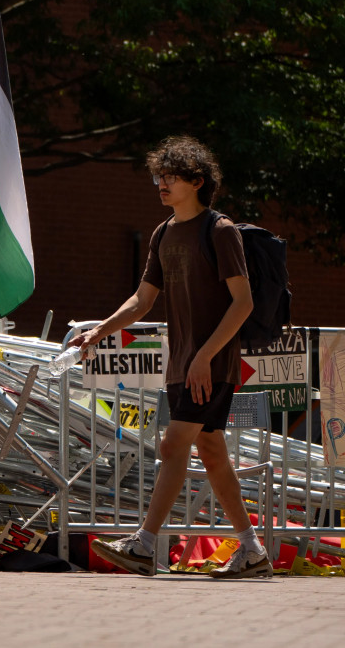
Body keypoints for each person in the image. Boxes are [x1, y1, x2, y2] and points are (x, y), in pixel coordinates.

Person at [70, 136, 268, 579]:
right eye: (159, 175)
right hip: (181, 364)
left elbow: (243, 303)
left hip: (209, 365)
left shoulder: (219, 231)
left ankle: (144, 544)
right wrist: (99, 331)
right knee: (213, 453)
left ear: (197, 181)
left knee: (172, 445)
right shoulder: (162, 233)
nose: (161, 182)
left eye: (171, 176)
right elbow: (142, 301)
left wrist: (205, 356)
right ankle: (253, 552)